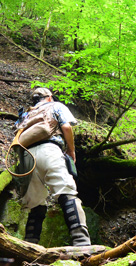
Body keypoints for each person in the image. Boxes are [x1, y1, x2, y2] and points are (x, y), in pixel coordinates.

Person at [15, 87, 91, 246]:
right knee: (66, 191)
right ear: (49, 97)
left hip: (26, 157)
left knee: (35, 203)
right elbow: (66, 127)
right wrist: (71, 150)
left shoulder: (26, 114)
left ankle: (30, 246)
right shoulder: (56, 105)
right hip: (50, 150)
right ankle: (82, 242)